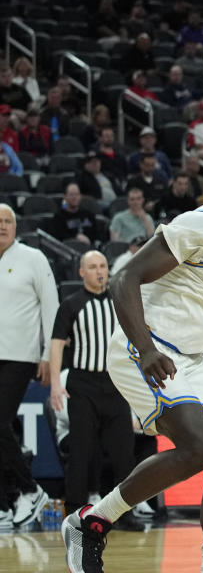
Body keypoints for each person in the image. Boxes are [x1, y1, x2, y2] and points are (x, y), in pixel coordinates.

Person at [62, 153, 203, 573]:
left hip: (193, 357)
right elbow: (124, 279)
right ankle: (90, 522)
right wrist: (146, 350)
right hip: (149, 347)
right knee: (200, 446)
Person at [48, 251, 144, 528]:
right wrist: (55, 383)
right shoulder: (71, 305)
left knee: (123, 453)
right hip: (83, 385)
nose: (99, 271)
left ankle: (125, 512)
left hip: (115, 385)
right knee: (81, 451)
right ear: (82, 272)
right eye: (92, 266)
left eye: (103, 265)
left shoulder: (119, 303)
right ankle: (75, 512)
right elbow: (56, 343)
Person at [0, 204, 57, 529]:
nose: (3, 226)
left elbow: (51, 306)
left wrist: (49, 354)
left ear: (16, 226)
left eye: (8, 221)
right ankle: (4, 507)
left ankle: (31, 490)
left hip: (20, 356)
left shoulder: (33, 258)